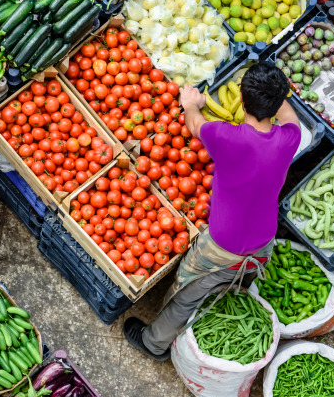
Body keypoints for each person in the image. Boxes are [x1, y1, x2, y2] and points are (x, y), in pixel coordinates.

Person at [123, 61, 301, 360]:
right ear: (278, 101)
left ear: (242, 100)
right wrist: (275, 92)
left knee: (185, 295)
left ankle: (154, 343)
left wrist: (191, 103)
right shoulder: (289, 140)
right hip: (262, 244)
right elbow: (290, 117)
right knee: (236, 282)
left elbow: (194, 124)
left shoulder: (226, 137)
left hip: (220, 246)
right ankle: (222, 298)